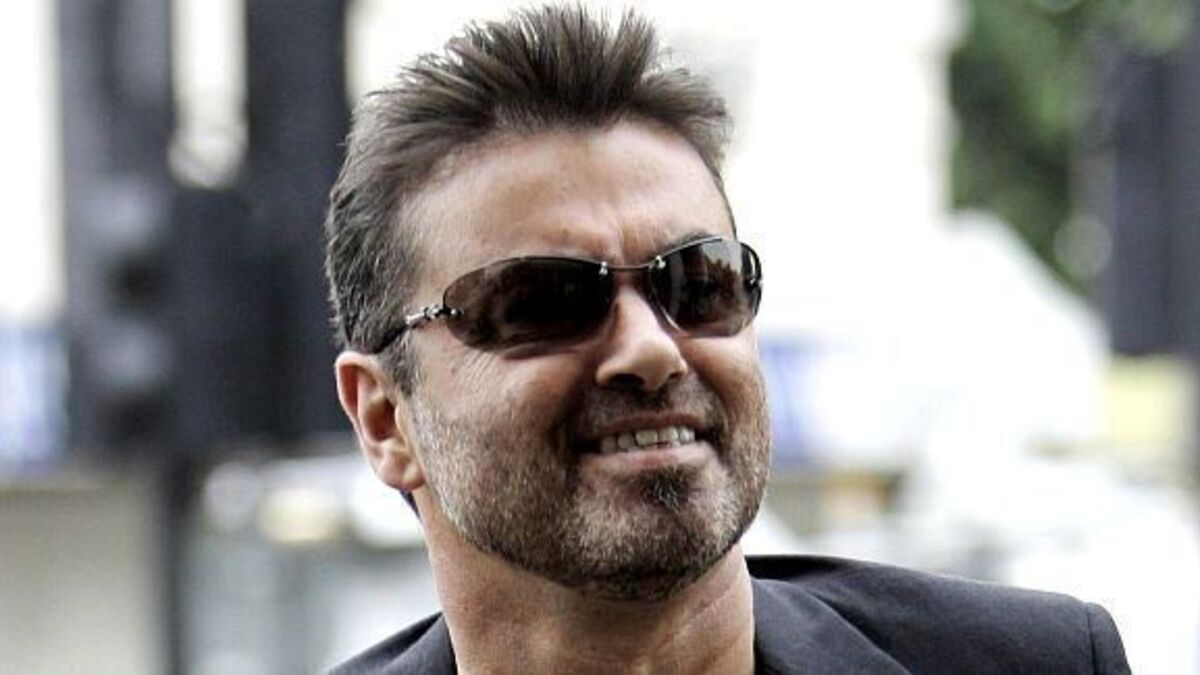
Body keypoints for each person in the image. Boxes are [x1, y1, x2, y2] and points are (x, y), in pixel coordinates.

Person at [324, 5, 1130, 673]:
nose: (652, 348)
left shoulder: (1039, 661)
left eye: (696, 283)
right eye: (544, 302)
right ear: (385, 419)